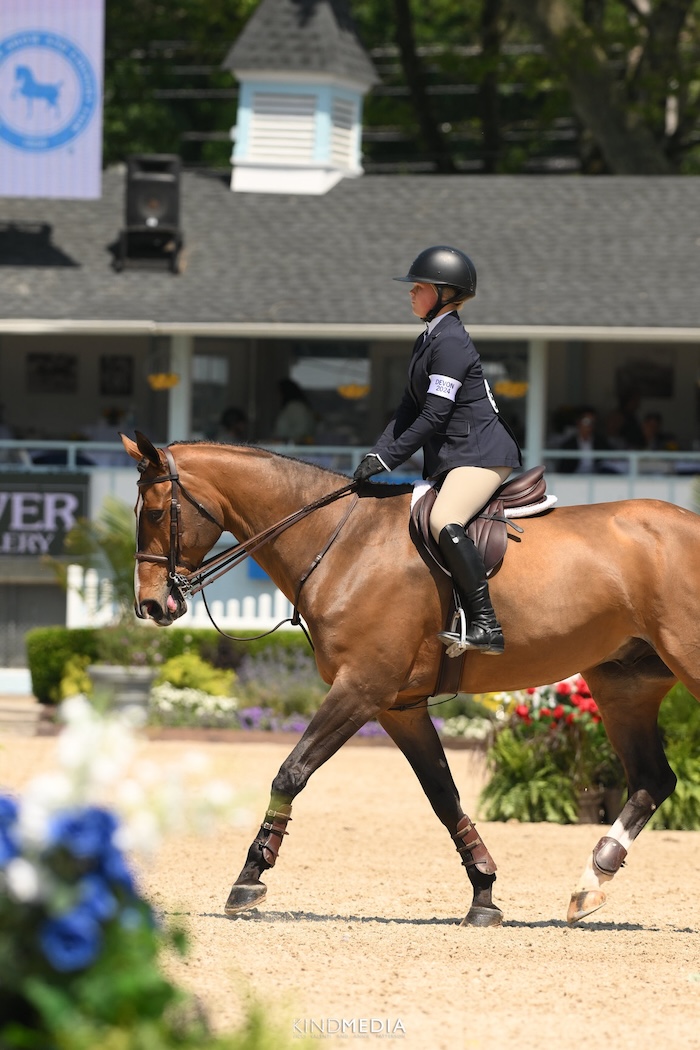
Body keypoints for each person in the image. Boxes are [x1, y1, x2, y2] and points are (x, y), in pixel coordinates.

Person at [353, 245, 522, 656]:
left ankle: (486, 624)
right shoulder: (428, 339)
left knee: (444, 518)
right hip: (457, 457)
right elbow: (407, 410)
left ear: (445, 293)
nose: (411, 292)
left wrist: (390, 458)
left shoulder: (451, 344)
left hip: (480, 454)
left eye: (420, 286)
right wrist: (376, 454)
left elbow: (433, 415)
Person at [556, 407, 611, 474]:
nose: (590, 425)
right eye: (586, 421)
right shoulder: (568, 444)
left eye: (592, 422)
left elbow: (611, 457)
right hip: (573, 477)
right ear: (578, 422)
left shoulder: (600, 441)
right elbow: (563, 469)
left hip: (596, 477)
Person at [271, 379, 316, 444]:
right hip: (286, 445)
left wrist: (285, 440)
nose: (277, 395)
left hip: (293, 446)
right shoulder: (291, 406)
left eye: (278, 392)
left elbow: (301, 430)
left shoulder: (296, 406)